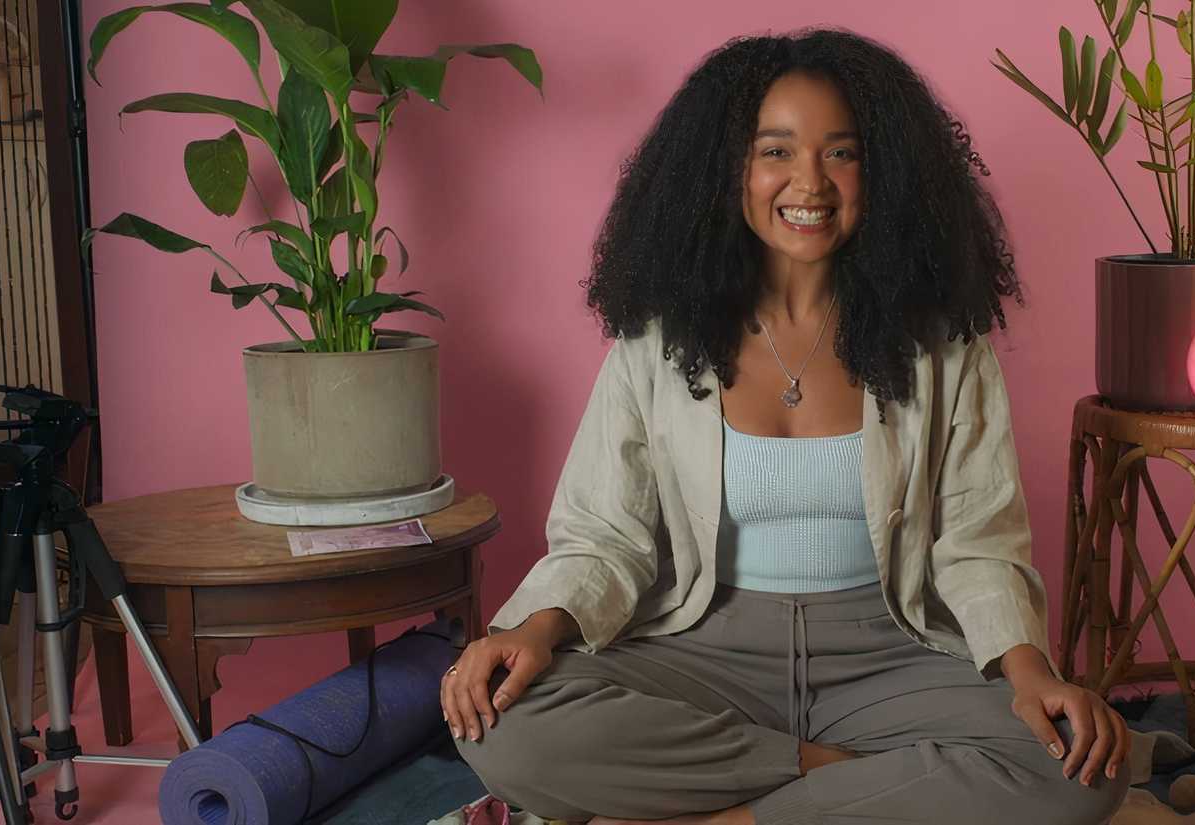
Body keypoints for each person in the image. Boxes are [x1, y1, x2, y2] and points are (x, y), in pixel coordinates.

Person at [441, 28, 1133, 825]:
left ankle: (726, 815)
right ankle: (843, 781)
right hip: (704, 646)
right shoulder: (658, 345)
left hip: (890, 652)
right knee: (507, 721)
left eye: (842, 153)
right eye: (776, 151)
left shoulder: (944, 346)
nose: (811, 182)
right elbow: (606, 535)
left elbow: (978, 539)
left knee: (1081, 772)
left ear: (887, 173)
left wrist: (1029, 671)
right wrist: (534, 627)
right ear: (724, 169)